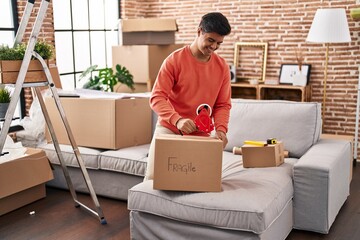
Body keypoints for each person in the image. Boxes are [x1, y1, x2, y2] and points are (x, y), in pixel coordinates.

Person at [144, 12, 232, 180]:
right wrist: (177, 120)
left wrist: (221, 129)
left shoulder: (222, 67)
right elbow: (157, 97)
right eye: (210, 41)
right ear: (199, 31)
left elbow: (222, 105)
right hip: (169, 129)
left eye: (219, 43)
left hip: (201, 136)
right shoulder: (174, 60)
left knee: (199, 184)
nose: (214, 47)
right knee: (152, 182)